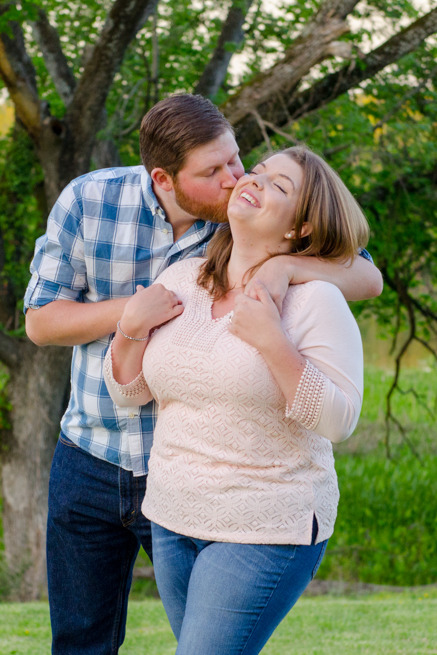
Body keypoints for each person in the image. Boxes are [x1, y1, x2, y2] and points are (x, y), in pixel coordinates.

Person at [24, 95, 381, 655]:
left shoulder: (254, 241)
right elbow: (43, 324)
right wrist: (131, 318)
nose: (236, 178)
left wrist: (284, 267)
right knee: (80, 642)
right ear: (165, 179)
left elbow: (363, 274)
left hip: (228, 491)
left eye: (238, 160)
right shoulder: (100, 206)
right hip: (99, 454)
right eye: (214, 172)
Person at [104, 146, 366, 654]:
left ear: (302, 229)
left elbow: (339, 421)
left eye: (280, 187)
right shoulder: (184, 279)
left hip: (266, 522)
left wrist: (272, 339)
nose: (256, 181)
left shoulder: (316, 300)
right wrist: (130, 327)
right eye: (259, 171)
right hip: (173, 518)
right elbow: (130, 392)